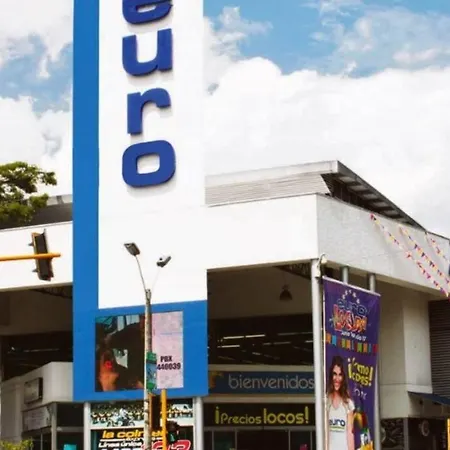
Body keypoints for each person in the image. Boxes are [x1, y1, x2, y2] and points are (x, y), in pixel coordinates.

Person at [326, 355, 355, 450]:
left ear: (344, 377)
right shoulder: (325, 401)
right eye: (334, 374)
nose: (337, 378)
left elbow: (350, 433)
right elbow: (324, 432)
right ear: (331, 375)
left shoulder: (348, 404)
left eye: (340, 374)